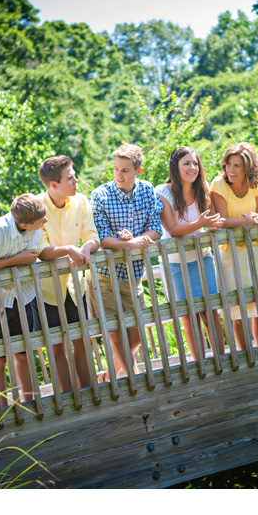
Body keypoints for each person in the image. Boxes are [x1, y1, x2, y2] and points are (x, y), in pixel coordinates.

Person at [87, 144, 163, 380]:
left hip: (133, 275)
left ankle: (109, 376)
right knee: (115, 334)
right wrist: (127, 244)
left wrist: (138, 239)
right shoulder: (100, 195)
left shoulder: (148, 191)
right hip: (104, 276)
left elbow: (155, 229)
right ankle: (136, 382)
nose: (119, 175)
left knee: (138, 335)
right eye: (116, 169)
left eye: (125, 170)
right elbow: (102, 238)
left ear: (138, 171)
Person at [0, 193, 47, 405]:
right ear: (24, 223)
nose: (46, 222)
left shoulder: (34, 224)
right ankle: (1, 408)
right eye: (41, 221)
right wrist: (17, 260)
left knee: (23, 352)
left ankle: (32, 403)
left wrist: (3, 261)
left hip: (23, 296)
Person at [36, 155, 100, 395]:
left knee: (82, 340)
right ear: (54, 185)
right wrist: (69, 250)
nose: (76, 181)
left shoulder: (81, 201)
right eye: (70, 178)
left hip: (76, 286)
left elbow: (92, 234)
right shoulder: (37, 207)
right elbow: (42, 251)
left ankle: (89, 392)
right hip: (46, 289)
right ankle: (68, 397)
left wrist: (88, 247)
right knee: (56, 346)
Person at [156, 146, 226, 362]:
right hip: (175, 264)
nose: (192, 167)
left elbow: (213, 219)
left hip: (202, 257)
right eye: (186, 163)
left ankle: (221, 361)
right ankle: (200, 365)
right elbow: (173, 229)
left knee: (210, 311)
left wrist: (213, 225)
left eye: (195, 163)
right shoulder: (162, 191)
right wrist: (201, 223)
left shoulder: (202, 188)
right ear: (175, 166)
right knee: (188, 315)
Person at [210, 142, 258, 351]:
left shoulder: (257, 183)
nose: (231, 170)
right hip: (230, 251)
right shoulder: (219, 184)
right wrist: (247, 222)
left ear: (248, 168)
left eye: (237, 166)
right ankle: (246, 353)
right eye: (228, 164)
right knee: (238, 309)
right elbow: (221, 219)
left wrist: (255, 217)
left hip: (257, 248)